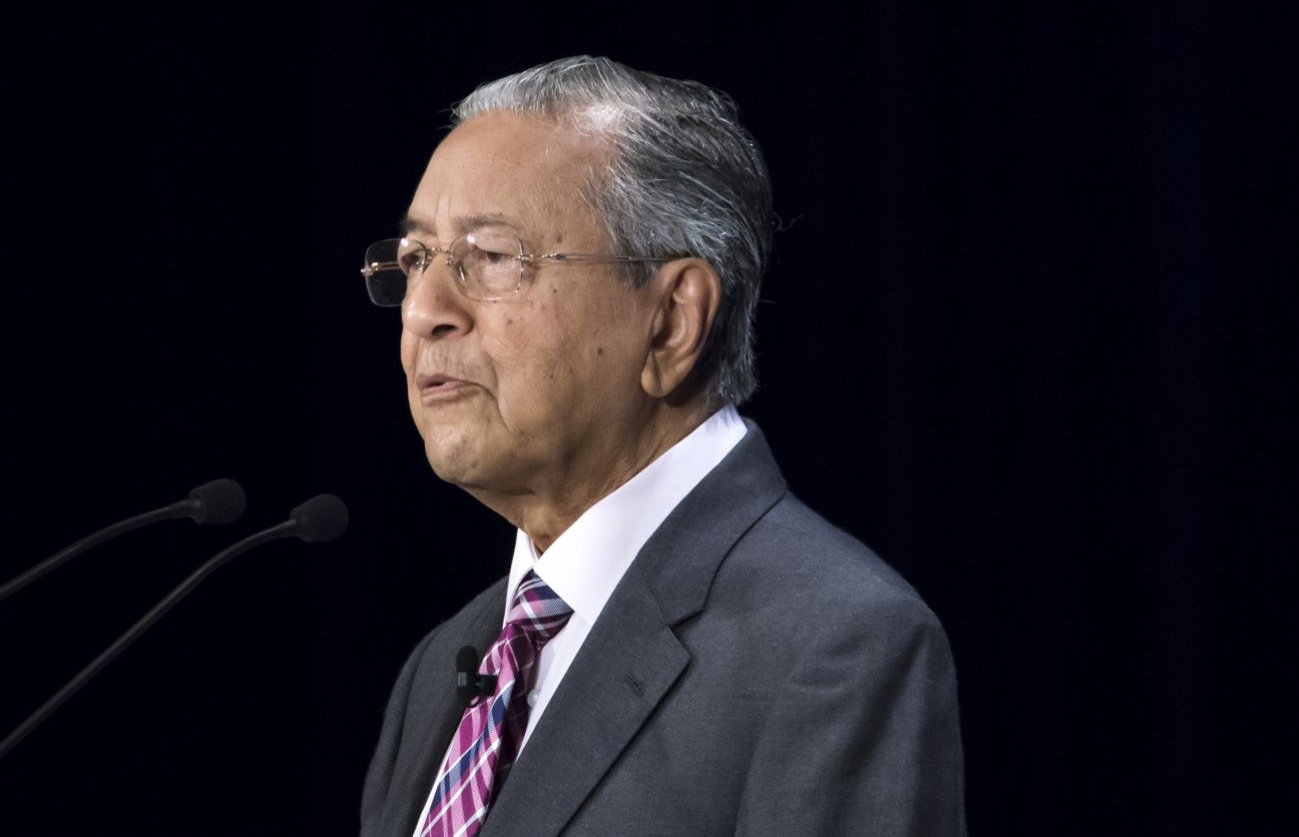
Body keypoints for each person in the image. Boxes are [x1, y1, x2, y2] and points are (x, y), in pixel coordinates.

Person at [356, 56, 966, 837]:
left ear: (674, 321)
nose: (424, 312)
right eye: (414, 262)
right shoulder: (445, 664)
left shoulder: (834, 647)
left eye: (492, 258)